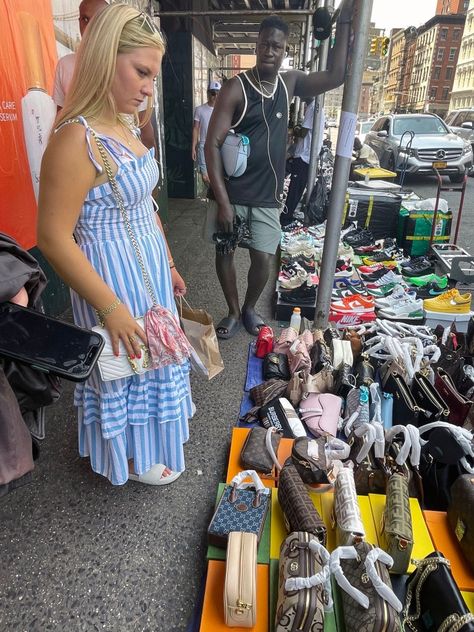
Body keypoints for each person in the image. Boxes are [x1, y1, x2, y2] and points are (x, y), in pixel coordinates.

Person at [38, 4, 193, 486]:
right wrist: (110, 308)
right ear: (106, 58)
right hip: (111, 285)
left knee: (149, 365)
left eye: (153, 74)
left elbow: (144, 205)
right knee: (125, 367)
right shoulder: (74, 139)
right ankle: (129, 457)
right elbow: (52, 236)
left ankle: (144, 449)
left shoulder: (124, 127)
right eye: (141, 71)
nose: (149, 86)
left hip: (146, 278)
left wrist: (167, 262)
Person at [204, 5, 354, 339]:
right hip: (233, 192)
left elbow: (335, 76)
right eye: (265, 44)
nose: (270, 51)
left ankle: (248, 308)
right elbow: (211, 145)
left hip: (268, 196)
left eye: (277, 46)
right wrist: (224, 202)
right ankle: (230, 310)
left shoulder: (290, 83)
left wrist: (344, 21)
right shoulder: (235, 87)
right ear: (256, 45)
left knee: (264, 259)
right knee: (225, 252)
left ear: (285, 51)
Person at [53, 0, 156, 151]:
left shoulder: (123, 66)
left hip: (125, 157)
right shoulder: (65, 65)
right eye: (85, 19)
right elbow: (60, 118)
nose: (89, 26)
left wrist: (151, 168)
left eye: (97, 19)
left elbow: (145, 127)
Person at [281, 98, 325, 227]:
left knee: (295, 190)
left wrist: (295, 129)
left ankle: (285, 219)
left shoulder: (313, 108)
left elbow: (303, 133)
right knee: (296, 190)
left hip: (304, 156)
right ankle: (286, 218)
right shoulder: (314, 107)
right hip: (305, 156)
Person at [192, 81, 221, 185]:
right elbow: (196, 128)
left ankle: (215, 197)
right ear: (208, 93)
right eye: (213, 93)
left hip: (219, 145)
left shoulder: (223, 110)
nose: (216, 96)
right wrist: (193, 147)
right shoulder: (199, 110)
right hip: (204, 145)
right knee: (205, 176)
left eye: (218, 93)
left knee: (218, 175)